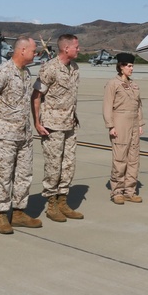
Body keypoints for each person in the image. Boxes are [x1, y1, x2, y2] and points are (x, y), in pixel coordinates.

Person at [0, 37, 42, 234]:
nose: (35, 54)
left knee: (24, 175)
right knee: (3, 176)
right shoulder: (3, 72)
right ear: (22, 50)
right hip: (4, 135)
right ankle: (1, 215)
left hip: (23, 134)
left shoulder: (26, 73)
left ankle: (19, 212)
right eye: (33, 50)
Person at [32, 34, 84, 222]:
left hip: (70, 123)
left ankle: (63, 200)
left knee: (68, 164)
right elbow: (36, 95)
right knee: (53, 165)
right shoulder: (50, 68)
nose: (79, 49)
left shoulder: (75, 68)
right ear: (66, 48)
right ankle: (51, 203)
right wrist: (37, 122)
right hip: (52, 125)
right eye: (76, 47)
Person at [103, 52, 144, 204]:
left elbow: (138, 105)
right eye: (128, 66)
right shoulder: (113, 84)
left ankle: (130, 190)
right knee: (120, 159)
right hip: (120, 122)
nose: (131, 68)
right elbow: (107, 106)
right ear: (120, 67)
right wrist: (110, 125)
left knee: (133, 159)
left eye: (132, 66)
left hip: (133, 123)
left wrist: (140, 124)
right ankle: (117, 191)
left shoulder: (134, 85)